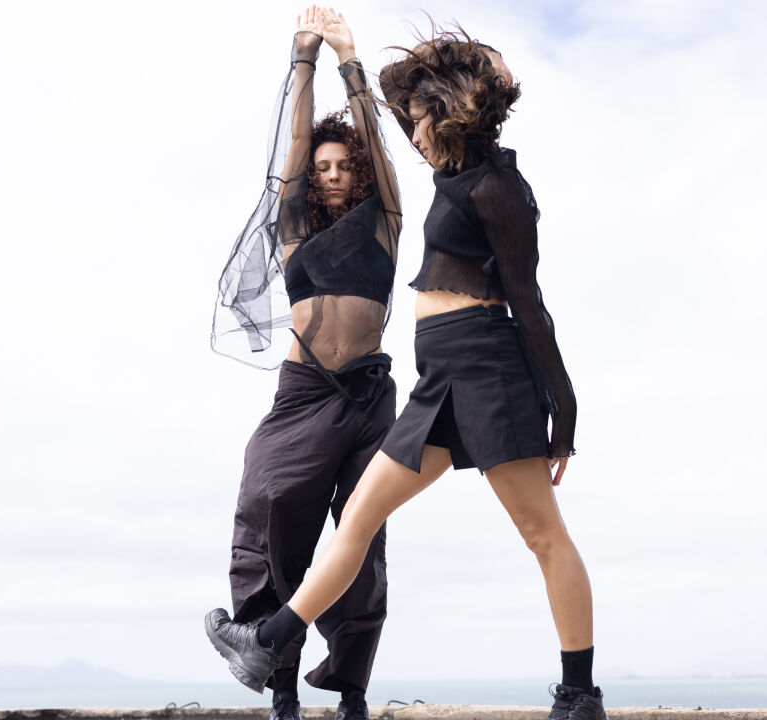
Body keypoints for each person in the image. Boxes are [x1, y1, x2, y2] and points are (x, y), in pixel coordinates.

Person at [207, 19, 605, 720]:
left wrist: (563, 413)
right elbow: (393, 93)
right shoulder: (453, 174)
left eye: (421, 120)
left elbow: (530, 302)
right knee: (359, 518)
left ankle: (579, 695)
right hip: (436, 381)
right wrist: (347, 53)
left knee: (543, 534)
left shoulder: (497, 189)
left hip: (484, 368)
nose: (412, 132)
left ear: (451, 116)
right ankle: (267, 644)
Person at [208, 6, 401, 720]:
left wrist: (351, 61)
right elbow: (294, 144)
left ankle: (351, 692)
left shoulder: (384, 221)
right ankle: (279, 682)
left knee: (362, 538)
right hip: (304, 393)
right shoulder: (291, 223)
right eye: (323, 168)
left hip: (369, 396)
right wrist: (305, 59)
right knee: (272, 515)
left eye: (344, 165)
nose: (334, 174)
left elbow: (377, 145)